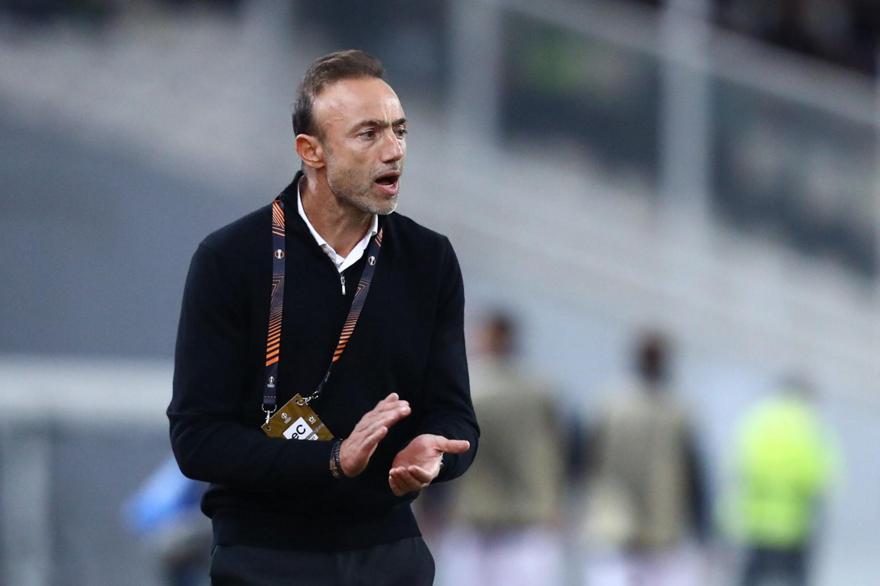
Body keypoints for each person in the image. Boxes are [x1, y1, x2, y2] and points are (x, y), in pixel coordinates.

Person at [167, 49, 479, 586]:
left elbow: (456, 417)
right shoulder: (230, 259)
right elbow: (197, 439)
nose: (394, 150)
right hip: (264, 554)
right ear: (310, 151)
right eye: (368, 134)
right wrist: (333, 459)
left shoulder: (430, 259)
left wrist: (434, 455)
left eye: (400, 131)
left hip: (388, 550)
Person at [437, 310, 568, 586]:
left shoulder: (464, 387)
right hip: (527, 519)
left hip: (472, 518)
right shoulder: (541, 390)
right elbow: (560, 452)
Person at [580, 331, 708, 586]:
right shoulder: (616, 406)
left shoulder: (614, 405)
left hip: (643, 527)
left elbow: (694, 473)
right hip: (628, 525)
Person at [731, 379, 836, 586]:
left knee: (752, 578)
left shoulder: (759, 419)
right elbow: (820, 477)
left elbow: (740, 466)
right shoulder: (809, 424)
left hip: (757, 521)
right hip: (795, 524)